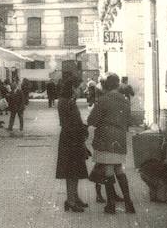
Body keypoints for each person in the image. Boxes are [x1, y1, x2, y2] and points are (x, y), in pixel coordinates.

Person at [87, 73, 135, 214]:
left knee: (108, 170)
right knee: (119, 168)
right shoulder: (125, 100)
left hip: (105, 137)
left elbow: (92, 120)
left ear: (105, 85)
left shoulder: (103, 100)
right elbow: (129, 121)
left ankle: (111, 204)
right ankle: (128, 203)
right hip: (119, 138)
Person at [56, 76, 91, 211]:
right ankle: (71, 200)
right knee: (72, 171)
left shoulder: (67, 101)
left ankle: (74, 197)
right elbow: (69, 122)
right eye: (79, 88)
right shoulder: (67, 102)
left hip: (71, 138)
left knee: (74, 171)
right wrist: (82, 129)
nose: (80, 91)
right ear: (72, 88)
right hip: (71, 139)